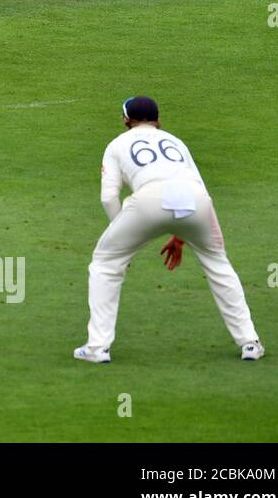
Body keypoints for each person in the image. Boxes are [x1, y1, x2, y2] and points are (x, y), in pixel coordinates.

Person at [75, 96, 263, 362]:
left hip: (149, 200)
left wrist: (120, 240)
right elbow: (198, 186)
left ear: (126, 120)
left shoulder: (116, 144)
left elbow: (108, 197)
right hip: (195, 201)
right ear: (157, 120)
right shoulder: (176, 142)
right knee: (218, 264)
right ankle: (250, 343)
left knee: (106, 262)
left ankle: (97, 348)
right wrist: (182, 235)